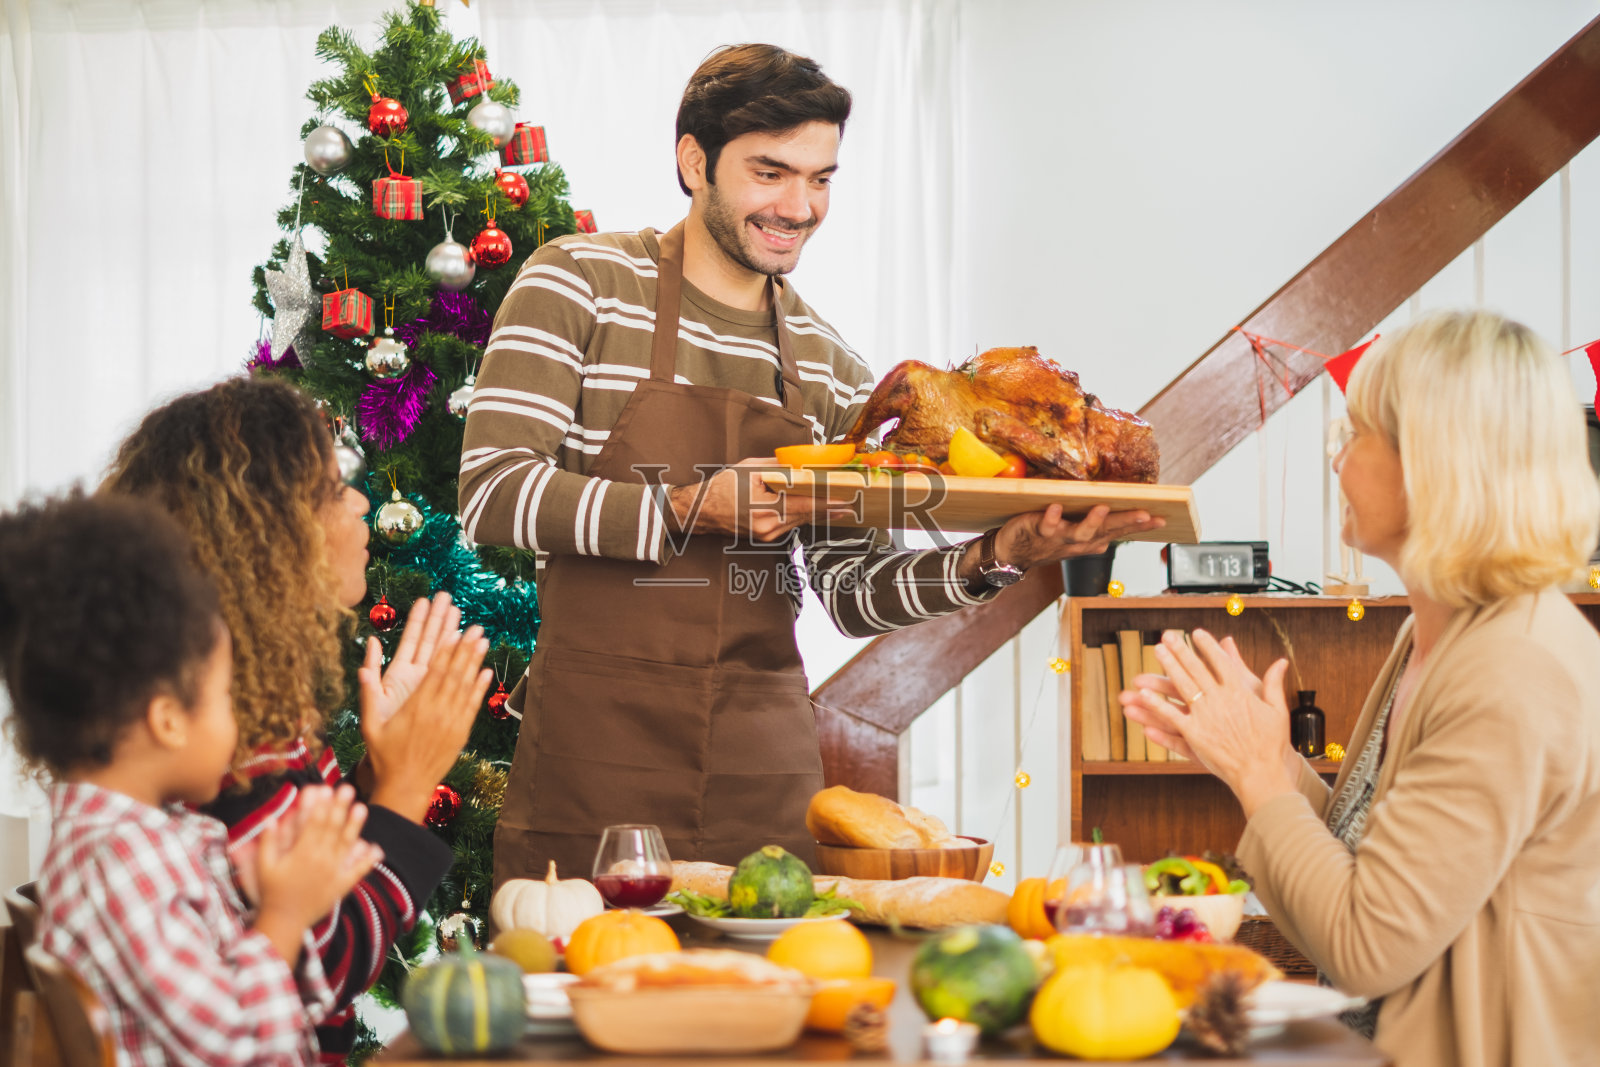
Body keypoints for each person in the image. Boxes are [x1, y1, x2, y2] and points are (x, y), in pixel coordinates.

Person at [461, 42, 1165, 887]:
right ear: (694, 160)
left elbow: (853, 591)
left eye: (821, 178)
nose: (800, 206)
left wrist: (999, 554)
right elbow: (495, 491)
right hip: (597, 764)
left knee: (772, 1010)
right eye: (771, 172)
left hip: (763, 776)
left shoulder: (827, 362)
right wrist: (694, 507)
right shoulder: (581, 284)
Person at [1120, 310, 1600, 1066]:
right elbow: (1370, 862)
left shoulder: (1515, 666)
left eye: (1355, 436)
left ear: (1437, 461)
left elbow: (1368, 942)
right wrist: (1262, 757)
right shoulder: (1434, 631)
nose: (1338, 463)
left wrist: (1256, 773)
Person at [104, 376, 493, 1061]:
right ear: (273, 533)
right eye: (336, 488)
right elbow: (324, 963)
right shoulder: (228, 749)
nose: (362, 504)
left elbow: (308, 880)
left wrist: (376, 775)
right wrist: (405, 790)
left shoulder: (229, 712)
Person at [0, 491, 380, 1066]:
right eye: (224, 695)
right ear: (168, 719)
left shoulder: (138, 839)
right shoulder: (122, 861)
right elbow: (238, 1047)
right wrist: (283, 914)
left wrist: (268, 895)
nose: (239, 719)